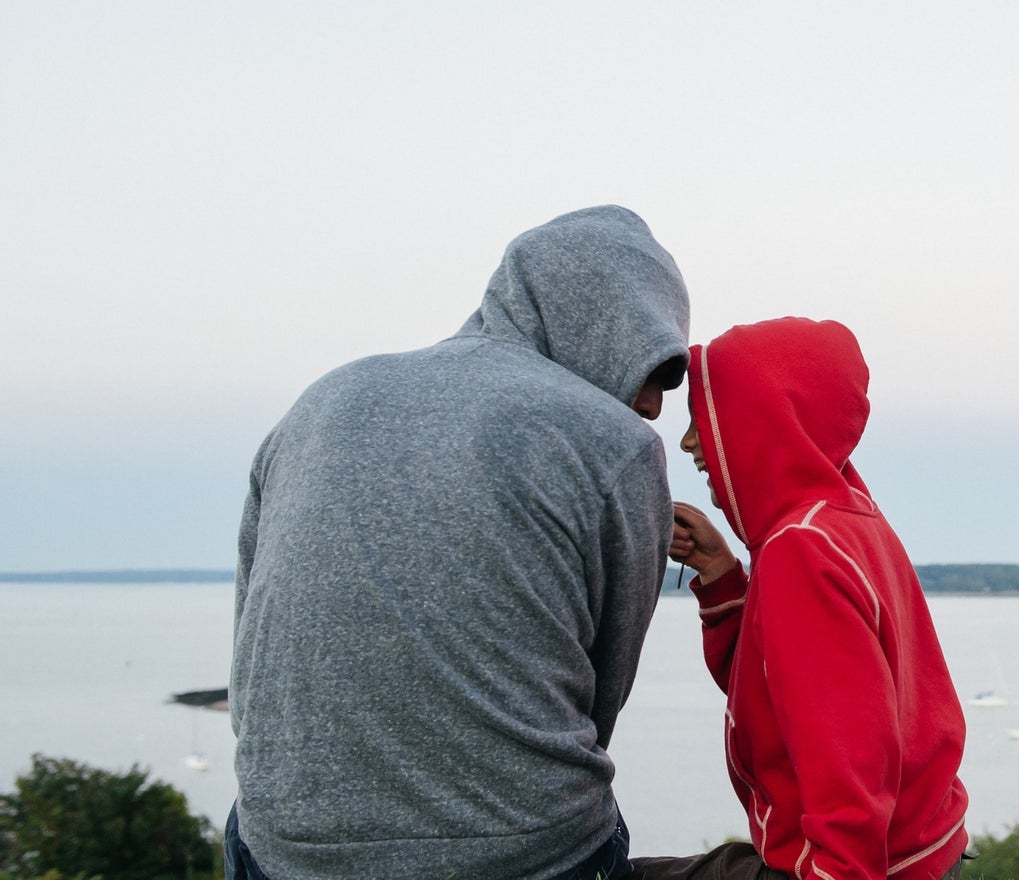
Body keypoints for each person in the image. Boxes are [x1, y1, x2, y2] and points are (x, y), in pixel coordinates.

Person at [227, 205, 690, 880]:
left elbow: (251, 627)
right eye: (658, 365)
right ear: (607, 321)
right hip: (521, 856)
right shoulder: (617, 444)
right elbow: (604, 686)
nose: (654, 402)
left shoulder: (322, 399)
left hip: (284, 851)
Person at [642, 317, 971, 880]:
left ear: (760, 420)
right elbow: (781, 695)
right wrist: (724, 577)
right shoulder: (848, 520)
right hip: (926, 849)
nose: (689, 441)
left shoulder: (801, 550)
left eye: (703, 417)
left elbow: (849, 754)